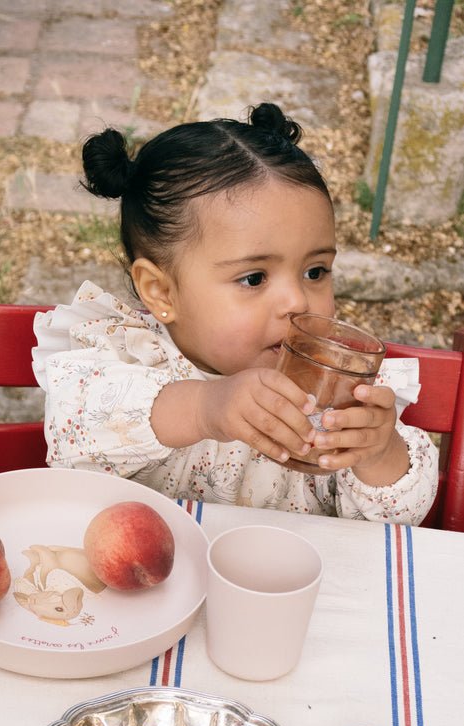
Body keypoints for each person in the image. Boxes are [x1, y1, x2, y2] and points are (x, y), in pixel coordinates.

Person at [32, 103, 438, 524]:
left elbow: (399, 522)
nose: (297, 301)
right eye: (254, 278)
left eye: (315, 271)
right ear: (161, 291)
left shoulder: (332, 390)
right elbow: (72, 433)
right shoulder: (125, 356)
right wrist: (204, 408)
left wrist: (378, 451)